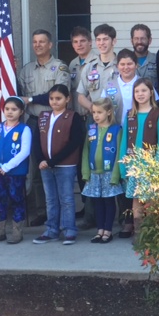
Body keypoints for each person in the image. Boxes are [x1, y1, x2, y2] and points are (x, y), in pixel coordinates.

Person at [17, 28, 71, 226]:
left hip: (55, 121)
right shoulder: (26, 70)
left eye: (42, 42)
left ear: (50, 44)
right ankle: (43, 211)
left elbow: (58, 93)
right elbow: (18, 94)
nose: (38, 45)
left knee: (56, 165)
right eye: (35, 42)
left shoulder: (60, 67)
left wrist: (30, 99)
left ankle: (60, 211)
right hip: (33, 122)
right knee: (38, 165)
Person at [32, 84, 83, 245]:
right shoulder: (43, 116)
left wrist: (53, 161)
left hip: (65, 165)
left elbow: (75, 142)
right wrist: (41, 159)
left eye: (59, 98)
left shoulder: (73, 117)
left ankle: (69, 229)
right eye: (52, 98)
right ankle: (52, 229)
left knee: (66, 198)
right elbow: (37, 141)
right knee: (51, 199)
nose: (55, 102)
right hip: (45, 166)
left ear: (67, 99)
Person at [119, 78, 159, 238]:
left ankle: (152, 234)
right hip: (133, 164)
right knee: (136, 199)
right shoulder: (130, 115)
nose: (140, 94)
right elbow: (124, 140)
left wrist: (158, 166)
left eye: (144, 90)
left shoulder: (158, 114)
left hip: (150, 165)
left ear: (151, 93)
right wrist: (122, 165)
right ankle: (139, 233)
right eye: (137, 91)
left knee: (151, 200)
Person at [0, 96, 31, 244]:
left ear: (21, 111)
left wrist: (6, 167)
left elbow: (24, 151)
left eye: (14, 109)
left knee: (16, 200)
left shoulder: (24, 129)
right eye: (7, 109)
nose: (10, 112)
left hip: (15, 173)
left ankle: (17, 231)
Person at [81, 98, 123, 245]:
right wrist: (85, 172)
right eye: (94, 112)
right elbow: (85, 151)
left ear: (109, 112)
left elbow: (119, 153)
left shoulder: (116, 129)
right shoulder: (91, 129)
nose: (96, 116)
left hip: (109, 172)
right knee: (97, 202)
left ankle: (108, 230)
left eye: (99, 112)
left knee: (109, 202)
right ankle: (99, 230)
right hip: (94, 173)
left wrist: (116, 174)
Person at [68, 26, 98, 219]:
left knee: (94, 162)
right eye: (75, 42)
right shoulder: (71, 65)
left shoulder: (97, 61)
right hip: (76, 119)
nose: (79, 45)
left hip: (93, 118)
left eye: (82, 41)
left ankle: (95, 211)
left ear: (90, 42)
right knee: (80, 164)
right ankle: (87, 206)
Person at [76, 23, 119, 115]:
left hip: (118, 117)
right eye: (98, 40)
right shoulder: (89, 67)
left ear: (114, 41)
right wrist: (94, 109)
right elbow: (81, 96)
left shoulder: (122, 65)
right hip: (96, 119)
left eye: (105, 39)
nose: (101, 43)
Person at [101, 49, 139, 125]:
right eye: (122, 64)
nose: (126, 67)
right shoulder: (109, 86)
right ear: (117, 66)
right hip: (115, 130)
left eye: (129, 64)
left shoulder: (144, 83)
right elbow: (103, 107)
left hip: (139, 129)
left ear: (136, 65)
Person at [130, 23, 158, 89]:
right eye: (136, 38)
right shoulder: (126, 62)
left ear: (150, 40)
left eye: (143, 38)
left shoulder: (158, 60)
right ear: (131, 41)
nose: (139, 41)